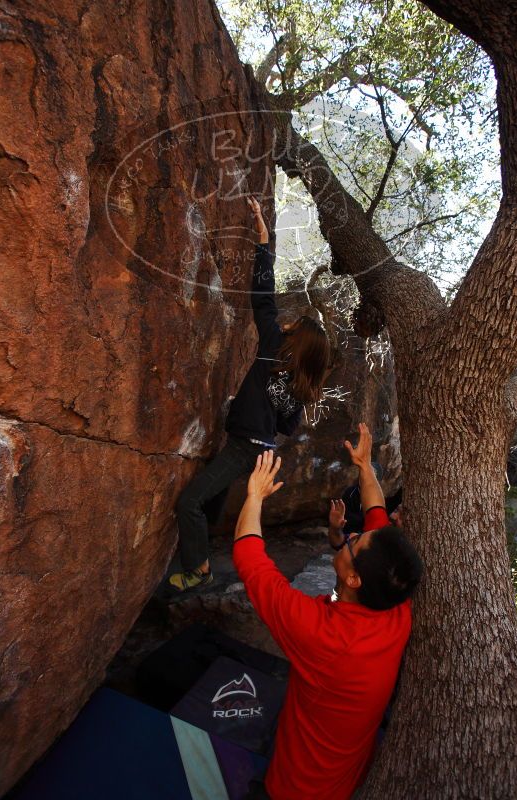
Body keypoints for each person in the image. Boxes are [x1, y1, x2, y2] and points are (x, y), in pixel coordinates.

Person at [233, 423, 424, 800]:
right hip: (346, 774)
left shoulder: (323, 635)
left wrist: (254, 496)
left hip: (296, 787)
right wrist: (365, 466)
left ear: (353, 579)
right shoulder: (395, 605)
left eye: (353, 544)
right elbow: (376, 511)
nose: (352, 536)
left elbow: (250, 561)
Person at [169, 196, 331, 592]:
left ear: (296, 338)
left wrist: (262, 238)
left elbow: (263, 296)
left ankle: (198, 571)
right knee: (213, 497)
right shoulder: (302, 384)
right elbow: (289, 426)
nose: (288, 323)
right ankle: (202, 550)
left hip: (245, 447)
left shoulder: (274, 347)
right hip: (262, 451)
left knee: (189, 503)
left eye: (295, 324)